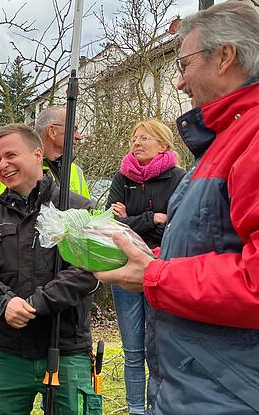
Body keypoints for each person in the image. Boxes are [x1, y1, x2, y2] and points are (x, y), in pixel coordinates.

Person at [93, 1, 259, 414]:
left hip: (253, 397)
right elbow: (215, 251)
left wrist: (156, 277)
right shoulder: (228, 141)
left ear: (225, 56)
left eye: (183, 64)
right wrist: (149, 258)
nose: (179, 83)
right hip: (214, 390)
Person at [0, 123, 100, 415]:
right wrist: (4, 301)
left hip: (67, 350)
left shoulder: (76, 209)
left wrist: (35, 304)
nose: (3, 165)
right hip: (10, 353)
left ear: (38, 154)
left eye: (11, 155)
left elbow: (87, 270)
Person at [104, 119, 185, 415]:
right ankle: (135, 409)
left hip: (162, 269)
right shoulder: (121, 177)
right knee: (132, 351)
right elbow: (112, 227)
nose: (136, 143)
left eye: (144, 138)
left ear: (163, 145)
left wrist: (131, 219)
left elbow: (177, 228)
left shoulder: (179, 178)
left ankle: (159, 408)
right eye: (134, 138)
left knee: (159, 349)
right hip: (125, 270)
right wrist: (153, 219)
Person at [0, 106, 90, 198]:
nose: (79, 137)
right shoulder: (17, 171)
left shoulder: (76, 171)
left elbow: (90, 212)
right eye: (73, 130)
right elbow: (8, 210)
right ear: (52, 131)